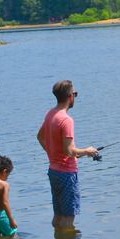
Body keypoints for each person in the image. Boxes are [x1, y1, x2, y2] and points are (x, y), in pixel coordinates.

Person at [36, 80, 99, 230]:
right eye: (75, 94)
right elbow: (69, 151)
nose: (75, 97)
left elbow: (40, 137)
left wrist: (52, 153)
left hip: (54, 172)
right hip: (67, 174)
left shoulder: (50, 114)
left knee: (58, 216)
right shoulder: (66, 120)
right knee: (68, 219)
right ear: (70, 96)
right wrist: (88, 151)